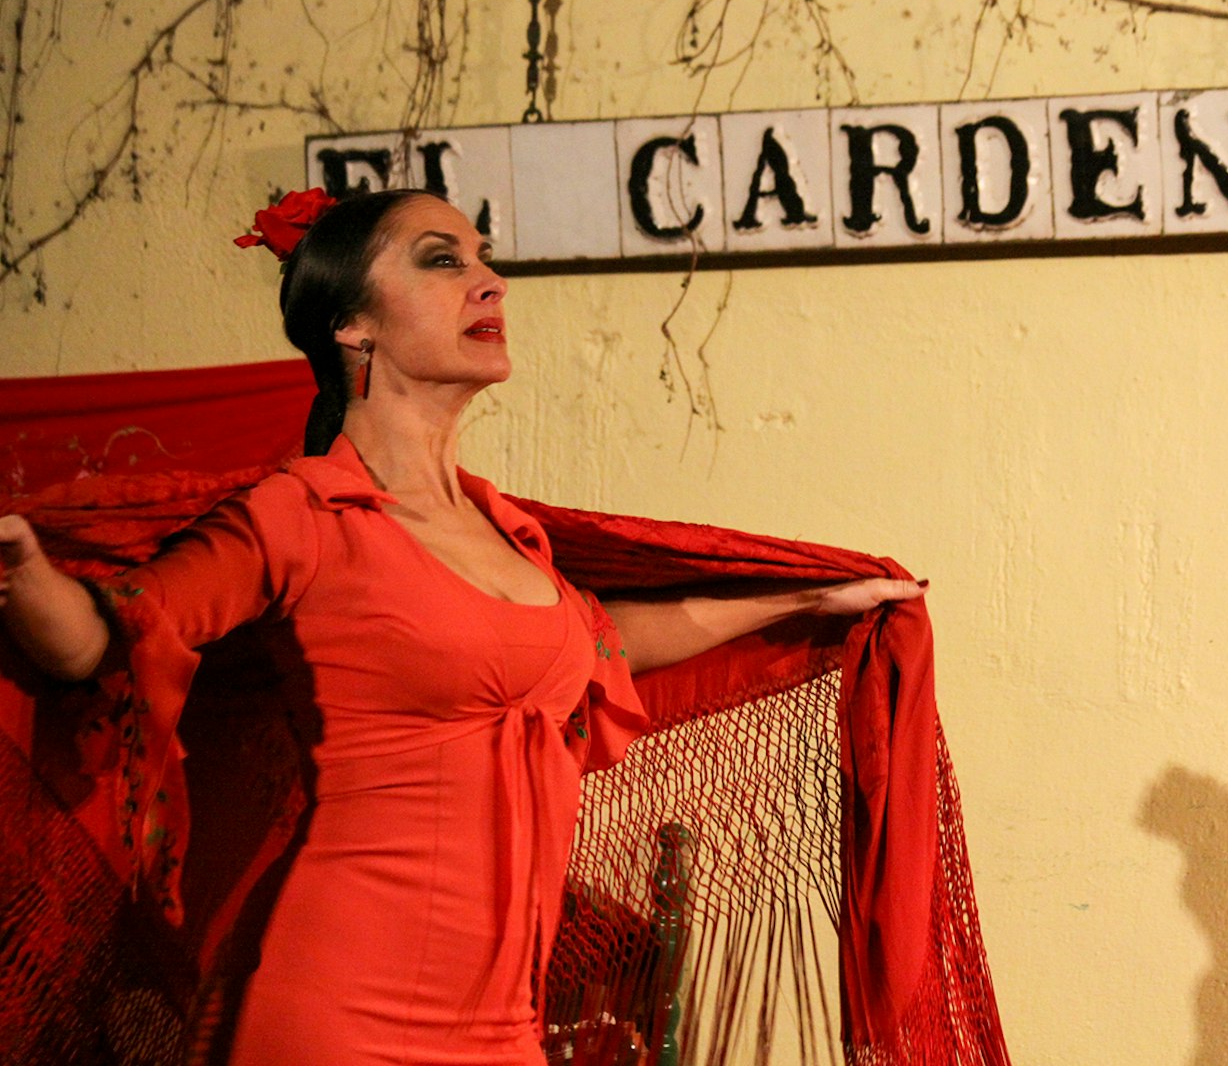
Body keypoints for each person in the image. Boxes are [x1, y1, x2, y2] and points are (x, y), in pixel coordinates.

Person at [0, 187, 922, 1064]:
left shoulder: (507, 533)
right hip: (335, 1006)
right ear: (352, 325)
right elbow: (103, 639)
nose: (490, 283)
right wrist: (22, 570)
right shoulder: (303, 516)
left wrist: (802, 602)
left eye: (485, 258)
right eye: (443, 261)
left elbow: (601, 645)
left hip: (500, 1024)